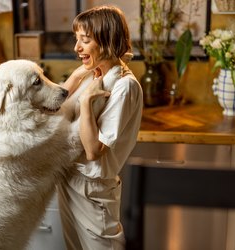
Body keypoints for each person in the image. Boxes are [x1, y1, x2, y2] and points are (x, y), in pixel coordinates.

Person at [57, 5, 143, 250]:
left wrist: (86, 103)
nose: (77, 48)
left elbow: (93, 150)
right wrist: (76, 77)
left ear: (107, 41)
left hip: (92, 189)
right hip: (68, 178)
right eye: (77, 40)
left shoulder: (125, 87)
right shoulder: (92, 73)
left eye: (85, 40)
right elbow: (59, 101)